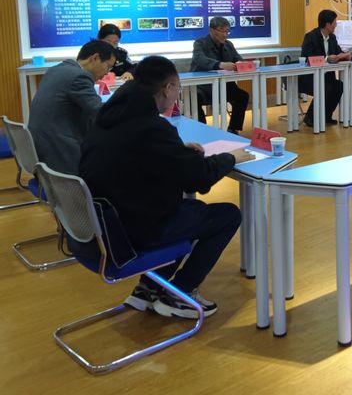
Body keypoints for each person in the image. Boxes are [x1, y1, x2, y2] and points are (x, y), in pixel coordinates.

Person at [79, 56, 254, 318]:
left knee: (190, 210)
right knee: (226, 215)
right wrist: (230, 158)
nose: (176, 96)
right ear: (167, 88)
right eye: (177, 90)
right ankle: (180, 292)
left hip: (102, 227)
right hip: (131, 232)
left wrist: (177, 151)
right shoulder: (152, 127)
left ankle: (148, 288)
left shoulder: (108, 119)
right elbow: (197, 178)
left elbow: (138, 156)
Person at [29, 40, 116, 174]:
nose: (107, 73)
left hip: (41, 147)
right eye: (108, 66)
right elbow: (100, 113)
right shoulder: (79, 77)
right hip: (60, 151)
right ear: (95, 58)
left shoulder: (57, 69)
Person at [190, 16, 249, 134]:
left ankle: (233, 129)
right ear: (211, 30)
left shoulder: (229, 44)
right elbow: (199, 59)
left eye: (227, 31)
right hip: (203, 86)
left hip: (224, 85)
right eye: (222, 31)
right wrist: (220, 64)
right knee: (194, 98)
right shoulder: (200, 43)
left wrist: (242, 64)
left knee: (242, 96)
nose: (225, 35)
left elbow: (238, 59)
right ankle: (203, 130)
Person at [299, 9, 351, 126]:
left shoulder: (332, 37)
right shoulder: (310, 37)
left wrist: (345, 55)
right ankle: (310, 117)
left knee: (338, 85)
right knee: (325, 87)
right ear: (328, 24)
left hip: (327, 76)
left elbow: (338, 52)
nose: (336, 25)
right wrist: (327, 58)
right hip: (309, 78)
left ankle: (327, 115)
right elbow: (307, 57)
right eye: (335, 22)